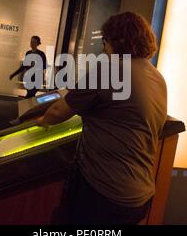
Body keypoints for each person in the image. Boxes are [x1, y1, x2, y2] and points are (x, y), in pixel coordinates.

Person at [39, 12, 167, 224]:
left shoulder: (110, 70)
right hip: (139, 194)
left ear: (116, 41)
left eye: (105, 42)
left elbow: (56, 113)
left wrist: (38, 123)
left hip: (105, 192)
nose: (104, 48)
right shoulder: (157, 77)